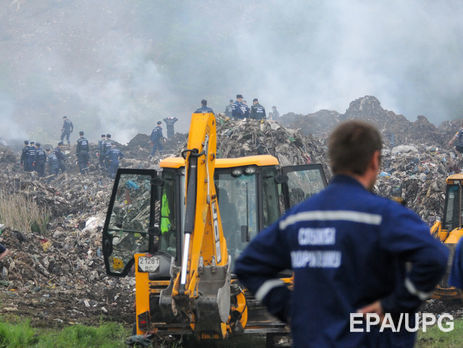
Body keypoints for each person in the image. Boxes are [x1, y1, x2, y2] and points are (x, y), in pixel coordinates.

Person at [235, 120, 448, 347]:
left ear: (333, 162)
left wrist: (289, 309)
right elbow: (436, 257)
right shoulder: (385, 217)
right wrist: (394, 305)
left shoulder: (299, 218)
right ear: (375, 160)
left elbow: (249, 265)